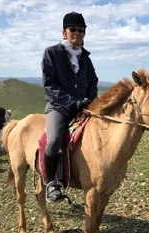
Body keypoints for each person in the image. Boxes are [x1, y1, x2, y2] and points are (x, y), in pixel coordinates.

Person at [42, 12, 98, 203]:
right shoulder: (52, 53)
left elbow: (93, 81)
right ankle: (51, 183)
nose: (77, 33)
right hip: (59, 108)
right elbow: (50, 85)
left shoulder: (86, 59)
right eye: (73, 29)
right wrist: (71, 102)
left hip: (82, 108)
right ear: (64, 32)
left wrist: (90, 99)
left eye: (81, 30)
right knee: (55, 139)